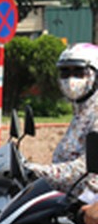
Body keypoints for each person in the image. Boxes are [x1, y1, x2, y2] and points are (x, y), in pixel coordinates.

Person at [27, 43, 98, 203]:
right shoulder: (81, 112)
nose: (71, 79)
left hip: (89, 209)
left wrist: (39, 171)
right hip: (66, 202)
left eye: (79, 72)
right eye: (65, 72)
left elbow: (83, 167)